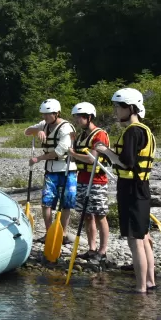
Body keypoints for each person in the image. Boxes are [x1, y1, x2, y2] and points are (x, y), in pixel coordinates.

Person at [94, 88, 157, 293]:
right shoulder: (145, 130)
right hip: (141, 188)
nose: (116, 111)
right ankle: (149, 282)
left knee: (135, 240)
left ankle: (140, 289)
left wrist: (105, 151)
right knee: (143, 236)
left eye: (118, 107)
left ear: (130, 108)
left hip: (131, 189)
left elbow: (127, 163)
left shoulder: (133, 131)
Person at [24, 99, 77, 243]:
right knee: (46, 202)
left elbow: (60, 151)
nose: (45, 117)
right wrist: (39, 130)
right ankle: (49, 232)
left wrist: (39, 158)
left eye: (48, 114)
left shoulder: (66, 128)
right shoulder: (44, 124)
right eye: (43, 114)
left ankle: (63, 233)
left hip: (67, 169)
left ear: (57, 113)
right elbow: (27, 131)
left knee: (66, 203)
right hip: (51, 170)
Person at [67, 102, 110, 263]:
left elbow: (92, 159)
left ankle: (103, 250)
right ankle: (92, 249)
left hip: (97, 181)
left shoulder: (100, 135)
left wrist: (73, 153)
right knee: (87, 216)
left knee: (100, 215)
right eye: (76, 117)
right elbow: (75, 155)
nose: (77, 120)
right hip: (82, 178)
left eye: (80, 117)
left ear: (89, 117)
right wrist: (72, 146)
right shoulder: (81, 136)